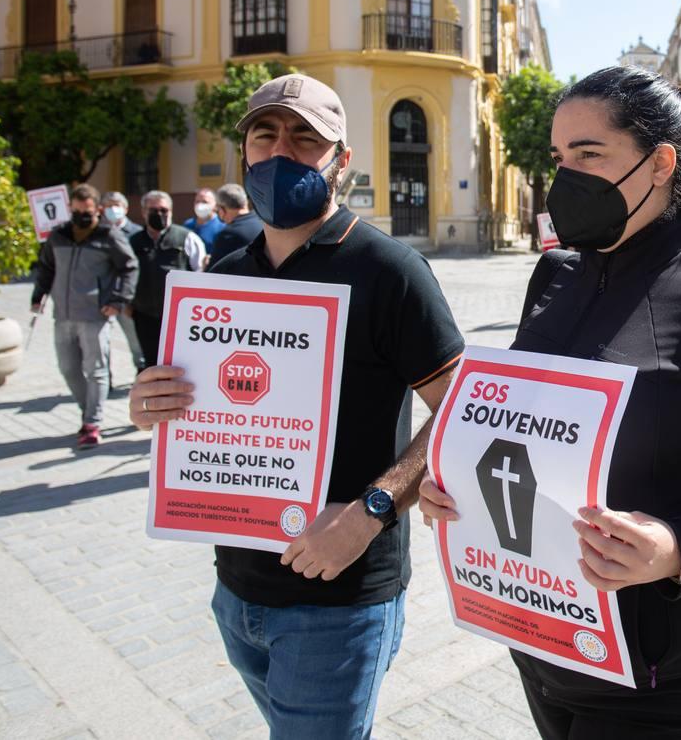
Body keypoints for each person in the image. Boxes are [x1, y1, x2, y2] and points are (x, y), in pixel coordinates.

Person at [419, 66, 681, 739]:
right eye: (559, 158)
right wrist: (455, 488)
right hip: (546, 640)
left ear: (658, 165)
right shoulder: (553, 277)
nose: (565, 177)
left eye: (588, 154)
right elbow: (528, 432)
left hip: (666, 673)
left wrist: (677, 547)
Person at [128, 74, 464, 739]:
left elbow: (463, 408)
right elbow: (198, 411)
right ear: (244, 154)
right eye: (266, 134)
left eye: (306, 138)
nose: (282, 150)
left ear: (340, 162)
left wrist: (372, 511)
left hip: (339, 597)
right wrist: (151, 407)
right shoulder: (222, 279)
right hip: (236, 590)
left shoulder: (389, 270)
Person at [32, 183, 138, 449]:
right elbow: (46, 267)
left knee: (96, 371)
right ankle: (86, 411)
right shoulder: (58, 236)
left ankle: (92, 422)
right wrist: (38, 295)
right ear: (70, 209)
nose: (82, 215)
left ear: (97, 210)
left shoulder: (108, 236)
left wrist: (117, 300)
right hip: (63, 316)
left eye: (87, 211)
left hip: (94, 316)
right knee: (68, 369)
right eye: (77, 210)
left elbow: (129, 267)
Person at [129, 191, 206, 368]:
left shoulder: (186, 238)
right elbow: (124, 274)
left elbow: (200, 272)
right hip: (144, 314)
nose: (159, 214)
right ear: (143, 212)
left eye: (164, 210)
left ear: (171, 211)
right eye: (153, 210)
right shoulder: (133, 242)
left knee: (178, 362)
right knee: (151, 362)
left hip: (178, 315)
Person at [101, 191, 147, 373]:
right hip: (103, 297)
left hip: (128, 298)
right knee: (101, 341)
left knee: (135, 339)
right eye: (109, 205)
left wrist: (130, 300)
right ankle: (104, 377)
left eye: (117, 205)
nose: (113, 209)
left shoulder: (136, 233)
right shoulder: (98, 232)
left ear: (125, 209)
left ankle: (141, 367)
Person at [210, 182, 264, 262]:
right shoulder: (264, 222)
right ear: (245, 202)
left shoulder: (227, 234)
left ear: (221, 209)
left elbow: (213, 272)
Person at [183, 187, 225, 256]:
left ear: (216, 206)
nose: (200, 205)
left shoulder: (222, 226)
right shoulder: (187, 225)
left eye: (205, 202)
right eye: (197, 202)